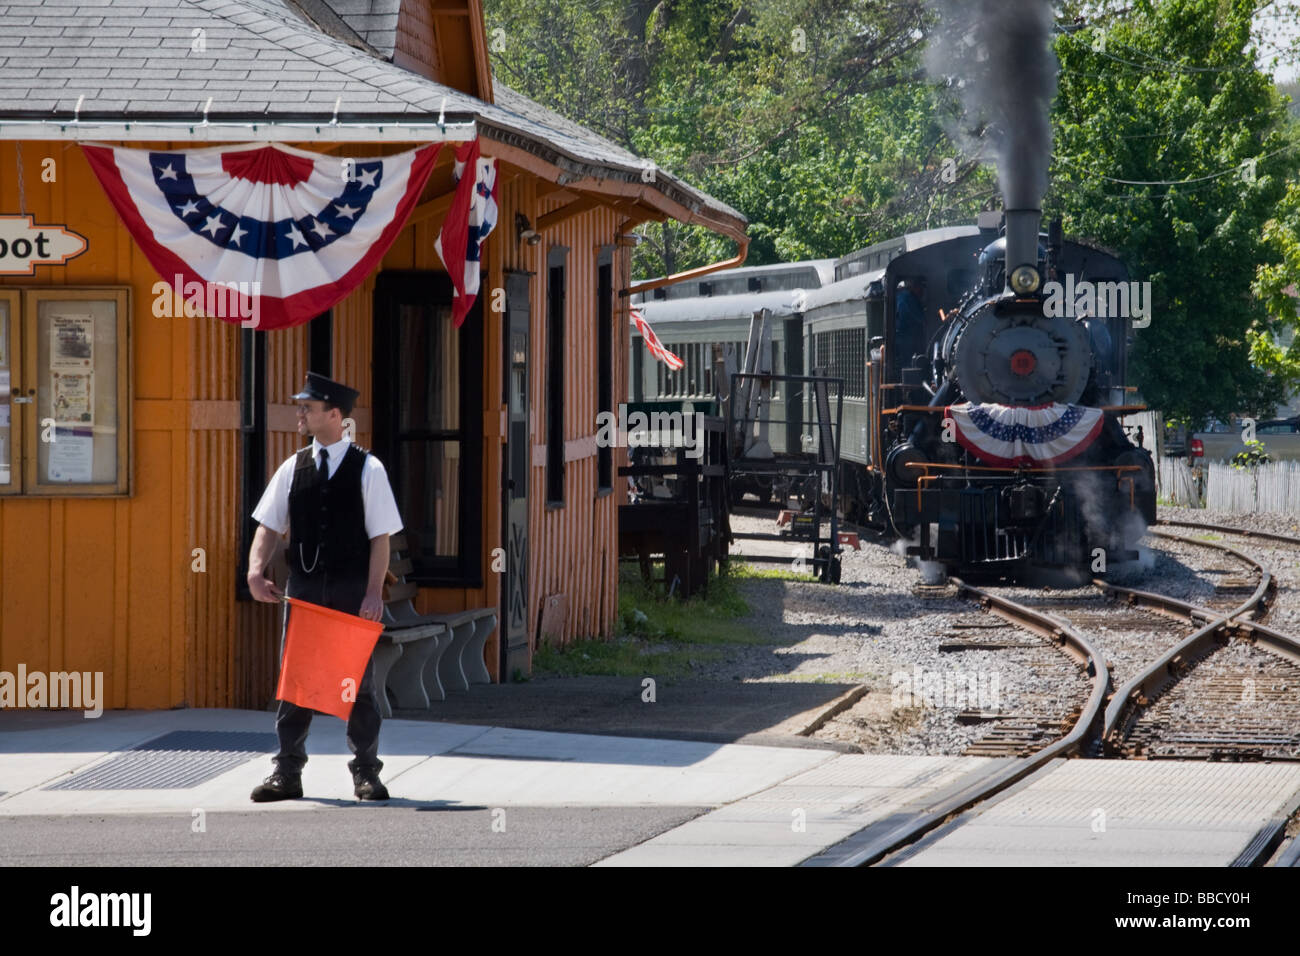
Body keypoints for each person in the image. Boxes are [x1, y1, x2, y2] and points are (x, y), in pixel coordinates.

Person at [245, 371, 404, 802]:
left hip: (353, 592)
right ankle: (288, 772)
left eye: (308, 408)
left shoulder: (368, 468)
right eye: (301, 406)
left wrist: (373, 593)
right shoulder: (292, 467)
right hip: (306, 591)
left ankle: (366, 773)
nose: (300, 413)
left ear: (334, 415)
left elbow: (380, 538)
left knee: (360, 685)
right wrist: (255, 571)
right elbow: (268, 525)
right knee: (296, 681)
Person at [894, 276, 927, 367]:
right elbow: (911, 317)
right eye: (921, 288)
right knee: (909, 363)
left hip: (908, 338)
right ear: (915, 287)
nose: (922, 292)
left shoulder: (909, 298)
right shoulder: (906, 298)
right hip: (906, 338)